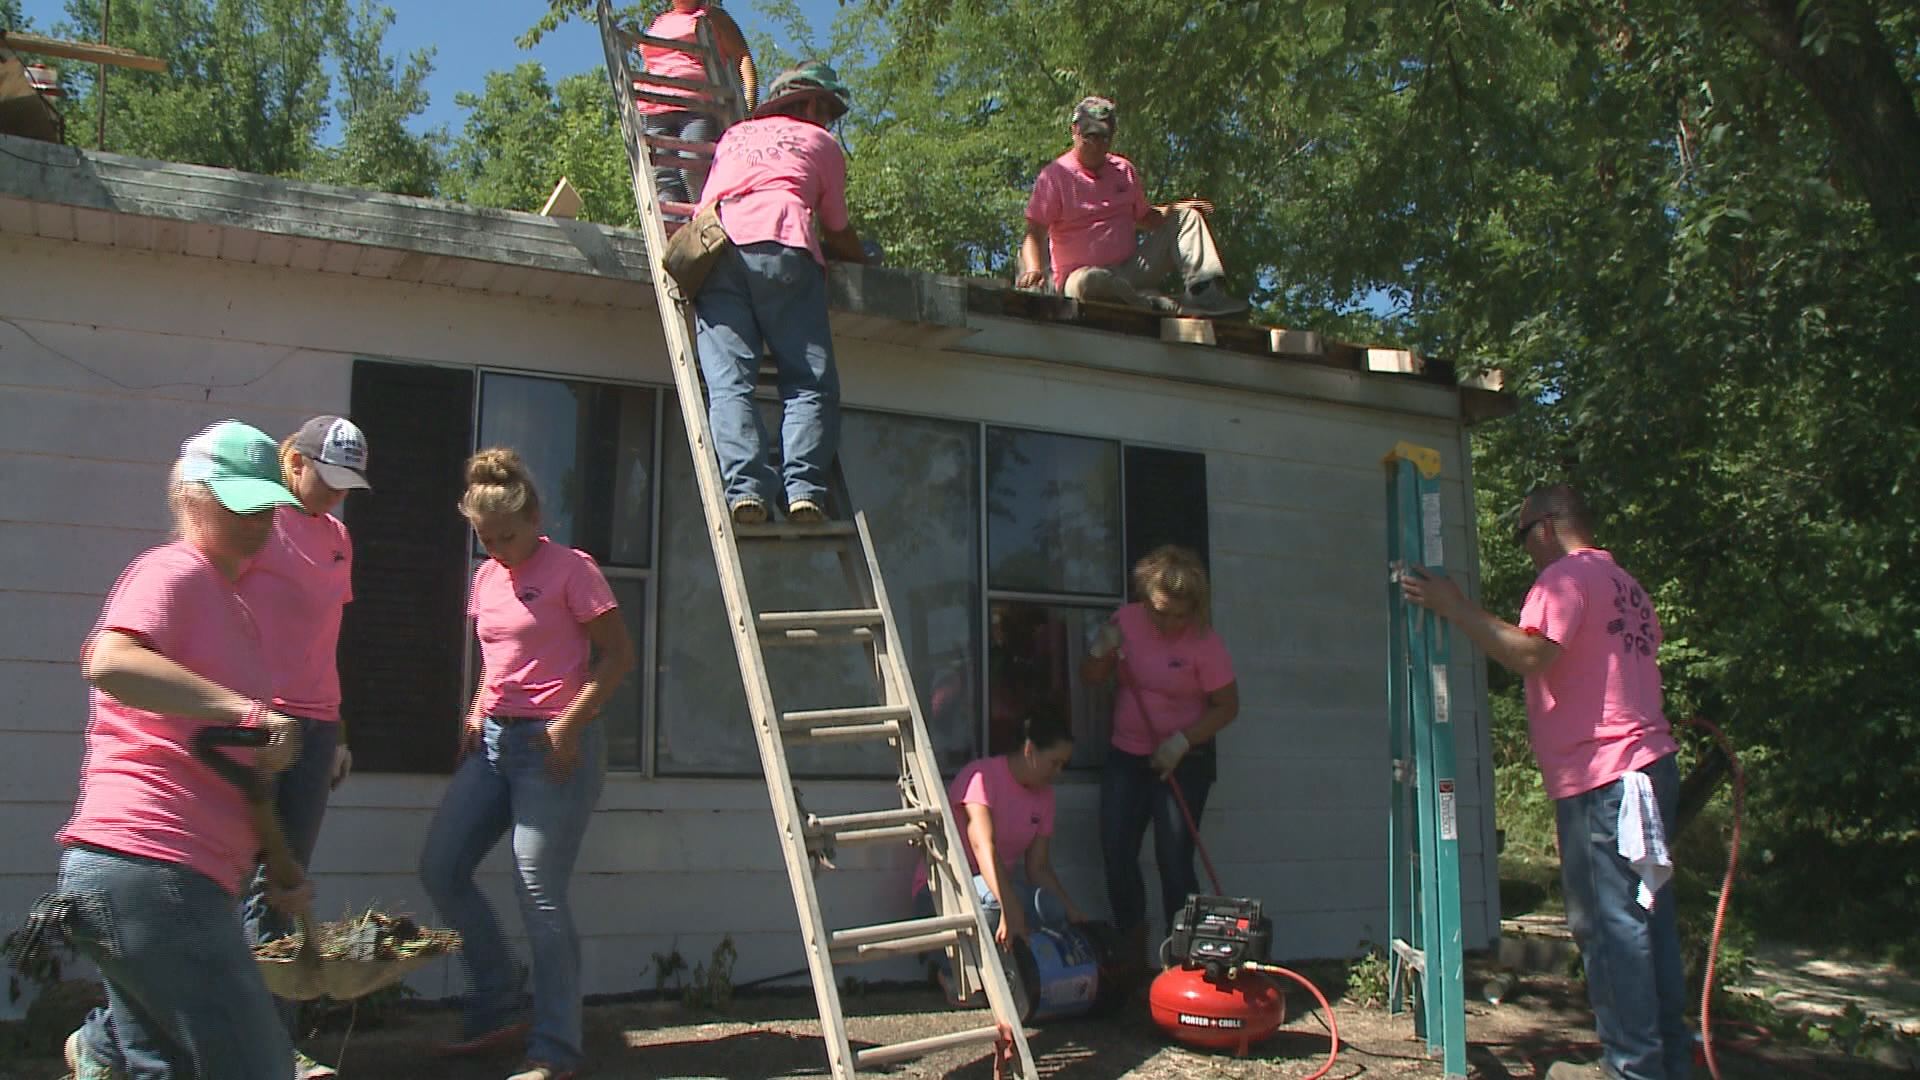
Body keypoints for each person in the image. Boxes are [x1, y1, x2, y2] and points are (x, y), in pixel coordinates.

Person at [1401, 484, 1689, 1080]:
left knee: (1610, 930)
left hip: (1603, 777)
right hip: (1648, 768)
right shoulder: (1627, 586)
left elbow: (1531, 655)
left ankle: (1635, 1068)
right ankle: (1668, 1062)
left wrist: (1454, 607)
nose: (1527, 549)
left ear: (1546, 527)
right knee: (1649, 921)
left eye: (1524, 535)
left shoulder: (1563, 581)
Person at [54, 420, 307, 1079]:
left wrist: (280, 865)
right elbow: (109, 660)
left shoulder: (235, 612)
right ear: (191, 497)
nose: (256, 521)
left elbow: (233, 768)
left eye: (266, 507)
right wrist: (246, 711)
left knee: (160, 1069)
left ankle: (97, 1054)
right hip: (152, 865)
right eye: (237, 502)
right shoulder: (173, 571)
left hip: (157, 876)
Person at [419, 448, 636, 1080]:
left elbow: (618, 657)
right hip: (493, 742)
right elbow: (498, 657)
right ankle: (497, 997)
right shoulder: (487, 576)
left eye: (506, 536)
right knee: (442, 866)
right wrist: (475, 710)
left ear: (534, 517)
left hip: (554, 746)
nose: (497, 549)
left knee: (537, 889)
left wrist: (569, 726)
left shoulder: (573, 569)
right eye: (485, 538)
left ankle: (555, 1050)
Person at [235, 414, 371, 1080]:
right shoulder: (257, 521)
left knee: (288, 887)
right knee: (253, 884)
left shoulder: (340, 538)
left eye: (347, 485)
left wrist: (339, 731)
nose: (334, 495)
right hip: (260, 721)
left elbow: (327, 641)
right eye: (327, 478)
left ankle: (271, 1045)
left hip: (317, 727)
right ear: (293, 461)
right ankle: (263, 1049)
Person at [692, 60, 868, 525]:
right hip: (783, 242)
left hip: (718, 249)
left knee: (730, 383)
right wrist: (864, 257)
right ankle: (805, 491)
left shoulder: (735, 136)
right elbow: (837, 228)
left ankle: (746, 490)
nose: (829, 120)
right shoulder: (820, 142)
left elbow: (705, 203)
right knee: (808, 380)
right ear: (809, 103)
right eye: (826, 109)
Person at [1080, 545, 1239, 972]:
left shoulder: (1206, 644)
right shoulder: (1127, 621)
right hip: (1127, 754)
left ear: (1194, 608)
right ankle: (1133, 954)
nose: (1166, 622)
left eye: (1177, 614)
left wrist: (1183, 742)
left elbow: (1228, 706)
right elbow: (1092, 679)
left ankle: (1185, 961)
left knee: (1173, 857)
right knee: (1116, 850)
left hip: (1183, 760)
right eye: (1158, 611)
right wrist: (1101, 650)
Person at [1016, 96, 1246, 318]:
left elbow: (1145, 217)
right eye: (1090, 136)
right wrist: (1033, 270)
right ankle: (1155, 304)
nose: (1096, 144)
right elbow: (1034, 232)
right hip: (1080, 279)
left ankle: (1206, 294)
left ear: (1112, 136)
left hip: (1129, 271)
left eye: (1103, 137)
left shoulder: (1123, 170)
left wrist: (1177, 209)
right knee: (1090, 283)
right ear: (1075, 131)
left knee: (1187, 216)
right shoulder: (1056, 176)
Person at [912, 713, 1088, 998]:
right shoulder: (981, 776)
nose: (1058, 772)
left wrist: (1071, 912)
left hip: (999, 890)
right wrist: (1010, 907)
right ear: (1029, 750)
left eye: (1064, 765)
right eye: (1054, 763)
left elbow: (1039, 867)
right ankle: (951, 972)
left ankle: (1014, 976)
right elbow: (983, 845)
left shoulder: (1045, 797)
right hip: (945, 892)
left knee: (1050, 909)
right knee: (998, 905)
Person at [635, 0, 757, 204]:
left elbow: (742, 57)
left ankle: (704, 223)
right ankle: (677, 231)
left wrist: (749, 103)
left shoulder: (711, 16)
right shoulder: (660, 22)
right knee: (665, 177)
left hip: (697, 106)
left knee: (694, 166)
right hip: (656, 109)